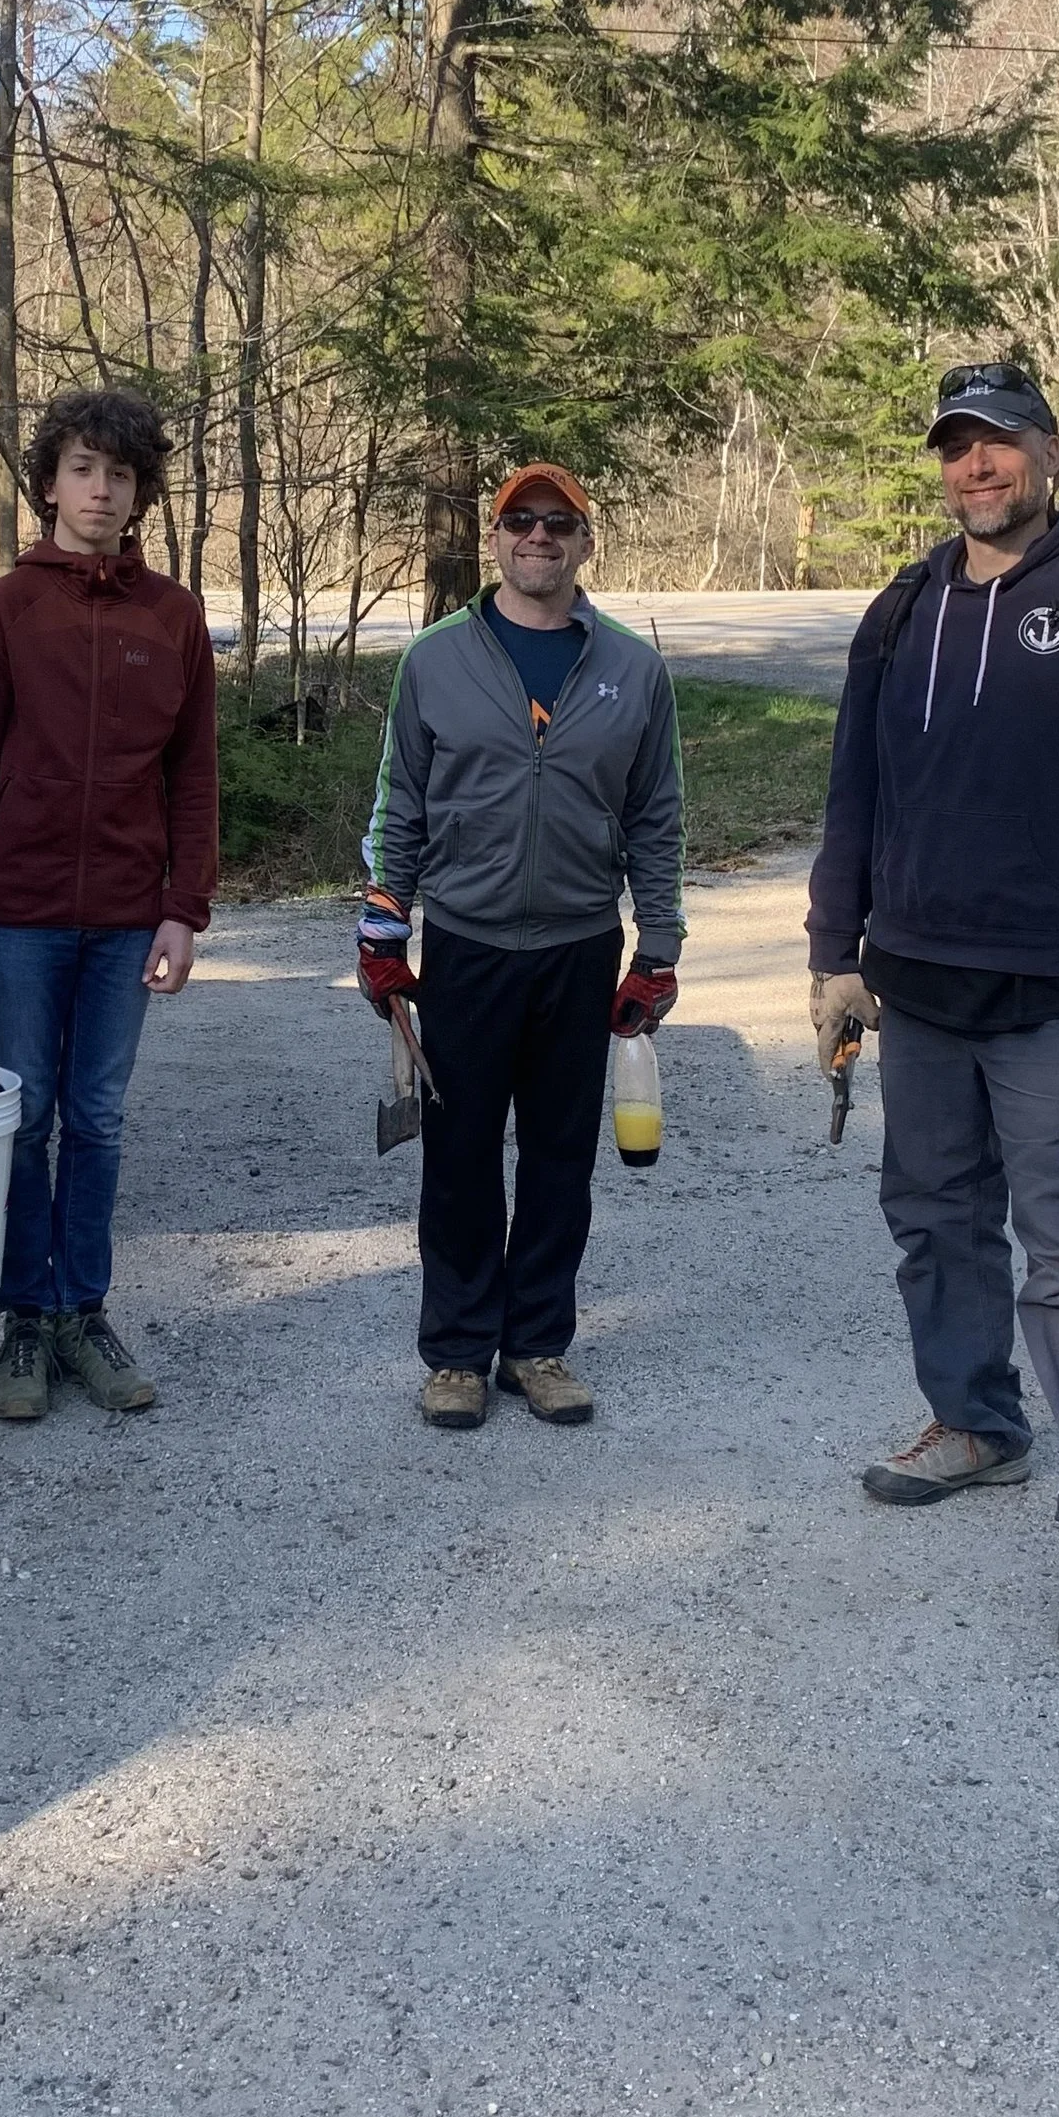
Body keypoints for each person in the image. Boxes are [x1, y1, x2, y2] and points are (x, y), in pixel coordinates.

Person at [804, 361, 1059, 1656]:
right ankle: (976, 1423)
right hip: (917, 988)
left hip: (1051, 1001)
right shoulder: (901, 608)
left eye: (1001, 444)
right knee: (931, 1219)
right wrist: (834, 952)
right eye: (957, 448)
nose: (978, 467)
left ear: (1048, 451)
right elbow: (854, 792)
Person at [356, 463, 685, 1431]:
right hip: (466, 943)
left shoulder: (632, 668)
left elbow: (657, 818)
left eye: (559, 523)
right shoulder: (434, 660)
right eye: (520, 521)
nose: (538, 537)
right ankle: (457, 1352)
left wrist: (655, 949)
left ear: (586, 542)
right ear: (492, 539)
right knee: (458, 1155)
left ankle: (536, 1345)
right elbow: (398, 805)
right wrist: (383, 929)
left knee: (555, 1157)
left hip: (581, 946)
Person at [0, 386, 217, 1422]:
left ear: (140, 494)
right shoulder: (9, 608)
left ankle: (81, 1313)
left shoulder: (171, 616)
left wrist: (184, 908)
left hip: (130, 916)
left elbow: (192, 776)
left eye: (122, 475)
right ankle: (21, 1322)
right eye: (84, 469)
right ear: (48, 482)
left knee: (96, 1117)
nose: (101, 491)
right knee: (28, 1112)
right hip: (18, 914)